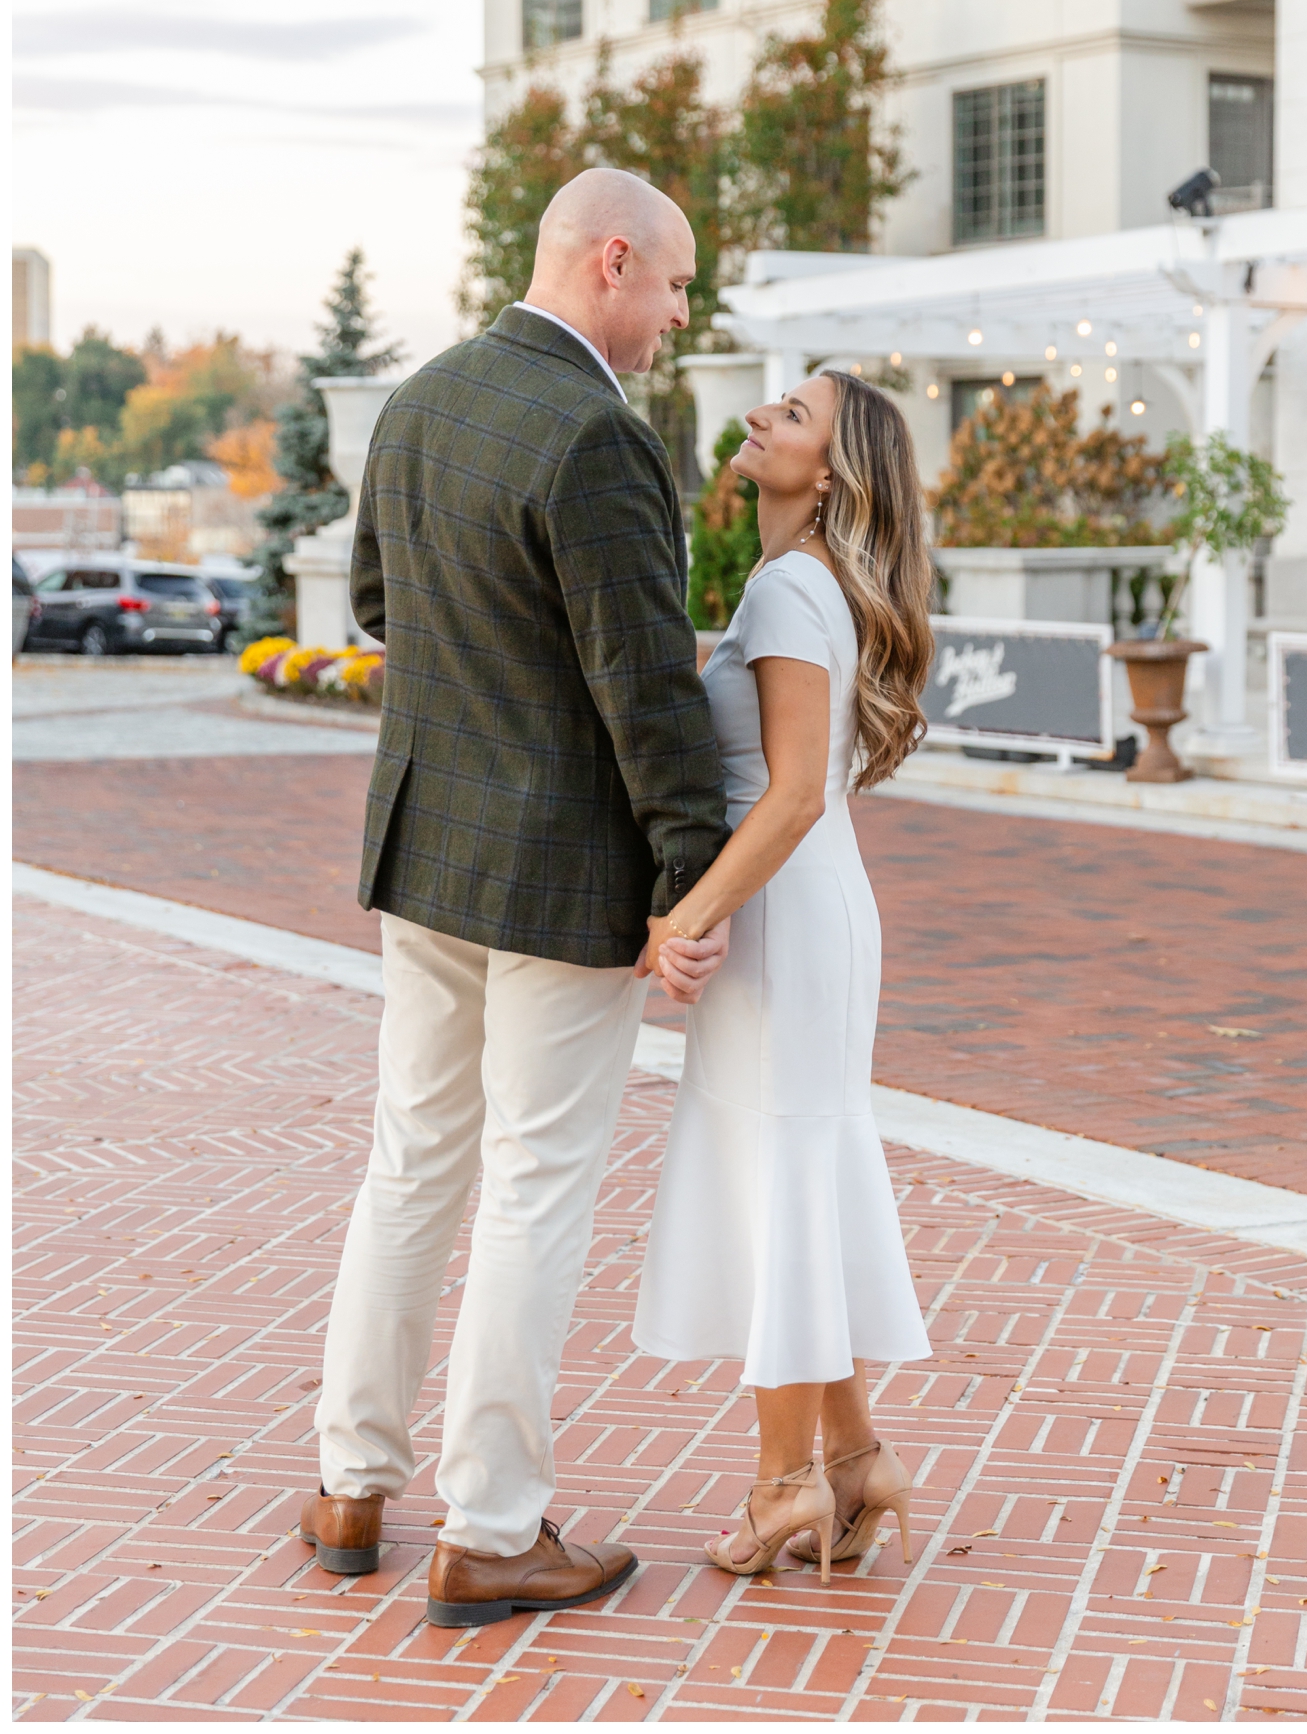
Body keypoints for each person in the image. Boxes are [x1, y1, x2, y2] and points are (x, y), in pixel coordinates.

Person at [300, 169, 731, 1628]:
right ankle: (489, 1526)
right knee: (535, 1190)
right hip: (557, 874)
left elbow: (376, 604)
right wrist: (690, 882)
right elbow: (648, 690)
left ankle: (351, 1481)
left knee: (411, 1161)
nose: (679, 314)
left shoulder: (421, 401)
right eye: (674, 284)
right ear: (612, 259)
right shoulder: (598, 437)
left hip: (427, 852)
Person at [632, 369, 935, 1582]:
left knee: (784, 1188)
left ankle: (780, 1488)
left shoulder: (797, 589)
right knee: (791, 1182)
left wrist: (683, 921)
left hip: (786, 915)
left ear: (834, 471)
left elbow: (797, 790)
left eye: (793, 415)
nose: (761, 414)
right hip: (798, 913)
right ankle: (852, 1461)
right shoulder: (790, 582)